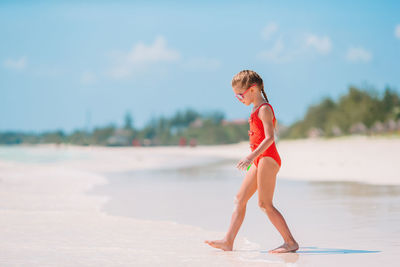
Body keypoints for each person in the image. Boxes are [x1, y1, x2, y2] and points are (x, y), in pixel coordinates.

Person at [204, 70, 299, 253]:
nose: (239, 99)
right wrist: (255, 158)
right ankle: (228, 241)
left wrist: (251, 156)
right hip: (260, 160)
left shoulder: (264, 109)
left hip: (268, 159)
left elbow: (270, 137)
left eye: (240, 94)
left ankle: (290, 242)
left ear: (253, 89)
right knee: (239, 199)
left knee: (264, 204)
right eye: (236, 96)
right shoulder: (255, 109)